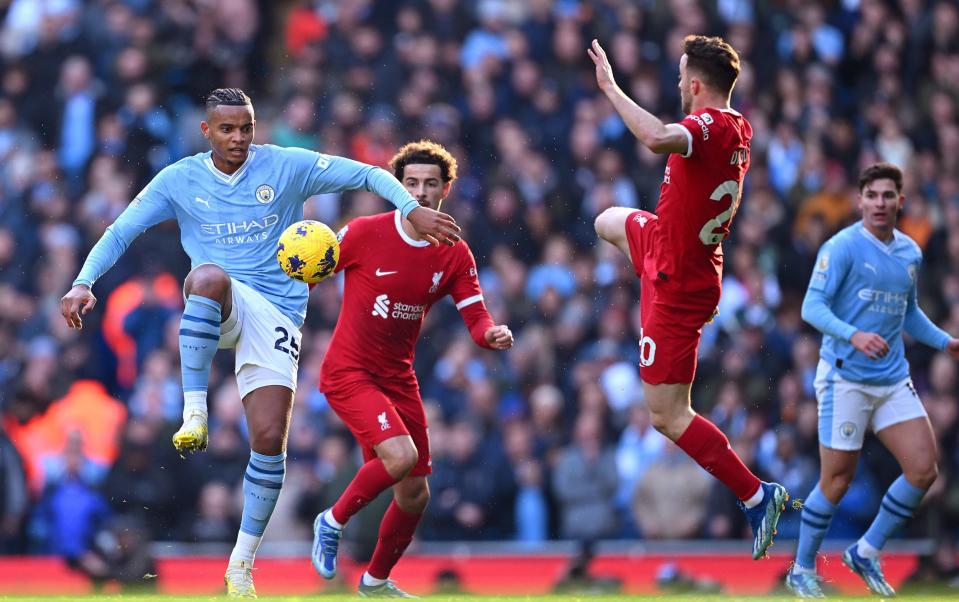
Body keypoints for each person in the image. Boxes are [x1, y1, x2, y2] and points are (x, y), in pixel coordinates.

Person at [58, 88, 460, 598]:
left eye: (246, 127)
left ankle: (241, 566)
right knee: (205, 276)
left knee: (269, 439)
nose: (239, 138)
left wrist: (409, 207)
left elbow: (366, 173)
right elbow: (121, 231)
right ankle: (196, 412)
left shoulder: (286, 166)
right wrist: (83, 282)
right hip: (223, 299)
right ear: (207, 131)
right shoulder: (180, 179)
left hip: (278, 312)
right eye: (227, 129)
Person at [589, 35, 788, 560]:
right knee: (606, 219)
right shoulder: (739, 126)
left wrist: (611, 88)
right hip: (670, 251)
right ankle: (645, 259)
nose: (677, 84)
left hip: (678, 285)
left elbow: (657, 137)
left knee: (668, 417)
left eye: (681, 76)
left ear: (695, 84)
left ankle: (755, 495)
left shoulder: (710, 125)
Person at [310, 140, 513, 597]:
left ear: (446, 190)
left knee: (415, 494)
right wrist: (297, 265)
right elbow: (315, 267)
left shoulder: (454, 253)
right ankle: (331, 521)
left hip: (398, 378)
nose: (420, 192)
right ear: (396, 187)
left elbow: (476, 317)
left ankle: (375, 581)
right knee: (399, 459)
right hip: (349, 372)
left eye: (430, 184)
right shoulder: (364, 231)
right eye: (411, 183)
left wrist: (490, 335)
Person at [786, 162, 959, 598]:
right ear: (860, 200)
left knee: (923, 469)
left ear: (901, 201)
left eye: (888, 196)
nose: (880, 203)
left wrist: (944, 343)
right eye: (872, 195)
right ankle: (802, 568)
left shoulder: (910, 253)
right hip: (845, 379)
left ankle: (866, 551)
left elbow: (909, 314)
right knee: (837, 481)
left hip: (891, 377)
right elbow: (812, 307)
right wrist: (854, 335)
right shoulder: (841, 247)